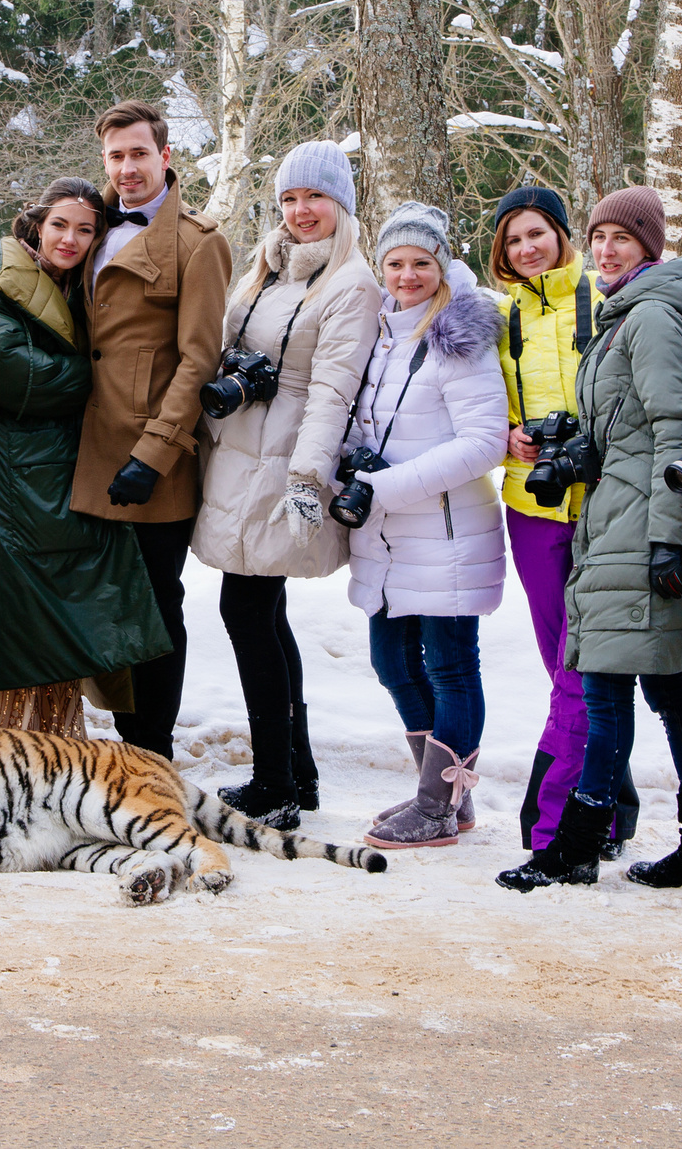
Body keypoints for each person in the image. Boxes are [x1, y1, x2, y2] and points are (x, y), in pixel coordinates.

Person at [498, 185, 682, 891]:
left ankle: (578, 844)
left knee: (608, 689)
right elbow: (628, 429)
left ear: (650, 245)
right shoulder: (625, 314)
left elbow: (675, 430)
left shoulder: (650, 315)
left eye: (621, 238)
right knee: (661, 686)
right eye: (599, 237)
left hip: (637, 527)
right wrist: (580, 453)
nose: (606, 249)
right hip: (613, 519)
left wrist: (667, 538)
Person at [189, 141, 381, 828]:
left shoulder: (352, 283)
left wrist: (307, 476)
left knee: (246, 612)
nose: (301, 211)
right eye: (290, 199)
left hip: (287, 462)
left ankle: (275, 780)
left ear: (342, 205)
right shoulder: (266, 267)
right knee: (262, 613)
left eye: (315, 198)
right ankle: (297, 772)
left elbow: (333, 389)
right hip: (241, 455)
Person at [0, 179, 173, 734]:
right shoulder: (3, 279)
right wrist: (103, 377)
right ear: (35, 224)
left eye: (85, 230)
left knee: (59, 631)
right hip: (10, 484)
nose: (70, 240)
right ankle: (11, 753)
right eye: (60, 226)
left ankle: (53, 750)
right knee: (23, 630)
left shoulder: (77, 287)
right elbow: (2, 368)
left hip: (55, 481)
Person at [337, 203, 509, 850]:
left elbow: (484, 440)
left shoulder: (455, 335)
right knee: (391, 661)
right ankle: (441, 794)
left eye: (421, 263)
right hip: (386, 536)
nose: (408, 275)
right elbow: (371, 425)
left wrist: (382, 486)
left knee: (452, 666)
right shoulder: (381, 334)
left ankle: (438, 805)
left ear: (441, 267)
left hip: (445, 532)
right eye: (396, 263)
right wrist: (349, 464)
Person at [76, 101, 233, 761]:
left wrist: (154, 453)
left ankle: (151, 752)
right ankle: (116, 737)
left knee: (155, 609)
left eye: (139, 153)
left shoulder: (199, 243)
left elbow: (199, 360)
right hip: (85, 450)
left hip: (152, 458)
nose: (127, 167)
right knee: (102, 602)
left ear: (164, 156)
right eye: (115, 155)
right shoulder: (86, 226)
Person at [487, 186, 636, 856]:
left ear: (561, 234)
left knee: (588, 666)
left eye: (536, 234)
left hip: (603, 502)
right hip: (532, 503)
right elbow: (479, 403)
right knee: (563, 666)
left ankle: (565, 814)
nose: (526, 248)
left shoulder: (606, 297)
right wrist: (507, 434)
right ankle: (613, 806)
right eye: (513, 240)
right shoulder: (497, 318)